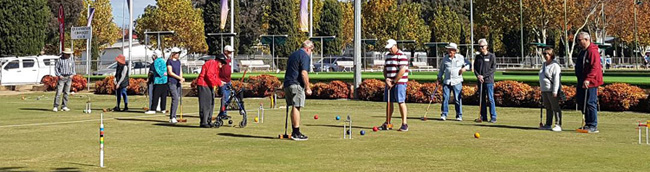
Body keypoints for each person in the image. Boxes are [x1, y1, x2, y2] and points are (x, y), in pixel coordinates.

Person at [283, 40, 314, 141]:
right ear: (307, 48)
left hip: (287, 84)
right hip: (296, 84)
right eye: (311, 50)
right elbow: (304, 73)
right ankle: (296, 133)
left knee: (293, 106)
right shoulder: (304, 56)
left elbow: (289, 71)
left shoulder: (292, 55)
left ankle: (294, 131)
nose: (311, 53)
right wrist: (308, 87)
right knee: (297, 107)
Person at [575, 32, 603, 133]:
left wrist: (588, 79)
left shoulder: (592, 51)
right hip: (582, 81)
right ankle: (587, 123)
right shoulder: (583, 51)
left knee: (590, 102)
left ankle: (592, 124)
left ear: (586, 40)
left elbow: (595, 67)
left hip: (591, 82)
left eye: (579, 40)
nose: (578, 42)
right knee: (581, 101)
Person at [378, 39, 409, 131]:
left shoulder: (401, 56)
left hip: (400, 82)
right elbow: (385, 69)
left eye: (391, 48)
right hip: (389, 83)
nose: (389, 50)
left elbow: (402, 71)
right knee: (389, 102)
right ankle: (388, 122)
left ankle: (404, 124)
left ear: (395, 46)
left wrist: (394, 81)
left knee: (401, 102)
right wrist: (387, 79)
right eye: (388, 48)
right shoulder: (387, 56)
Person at [437, 43, 469, 121]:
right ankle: (444, 114)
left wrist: (463, 69)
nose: (449, 51)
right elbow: (441, 70)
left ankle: (459, 115)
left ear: (454, 51)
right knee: (445, 98)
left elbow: (468, 64)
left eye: (450, 49)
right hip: (447, 81)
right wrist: (439, 78)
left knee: (457, 99)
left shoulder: (460, 57)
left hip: (457, 81)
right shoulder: (445, 59)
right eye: (448, 49)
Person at [473, 39, 497, 123]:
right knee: (481, 99)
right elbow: (475, 68)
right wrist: (478, 76)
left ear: (486, 46)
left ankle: (493, 117)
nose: (481, 48)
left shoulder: (491, 56)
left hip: (489, 81)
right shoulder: (478, 57)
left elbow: (493, 68)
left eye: (482, 46)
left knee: (490, 99)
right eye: (479, 46)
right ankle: (483, 116)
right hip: (480, 81)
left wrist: (484, 76)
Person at [539, 47, 562, 132]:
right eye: (544, 53)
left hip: (551, 89)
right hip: (544, 89)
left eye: (547, 54)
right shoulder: (544, 64)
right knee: (548, 107)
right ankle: (548, 124)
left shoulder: (555, 65)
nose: (545, 55)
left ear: (552, 55)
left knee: (555, 107)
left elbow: (556, 79)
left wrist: (555, 91)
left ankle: (558, 124)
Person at [196, 55, 222, 128]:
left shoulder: (215, 66)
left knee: (211, 103)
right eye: (222, 63)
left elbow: (214, 76)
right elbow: (209, 75)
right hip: (203, 84)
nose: (222, 65)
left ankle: (208, 120)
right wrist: (218, 83)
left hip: (209, 85)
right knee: (205, 103)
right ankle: (204, 121)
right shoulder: (212, 63)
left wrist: (219, 82)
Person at [145, 50, 169, 115]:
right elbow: (165, 70)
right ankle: (163, 109)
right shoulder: (163, 60)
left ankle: (153, 109)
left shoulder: (156, 61)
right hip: (165, 80)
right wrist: (165, 74)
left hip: (158, 81)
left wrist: (161, 74)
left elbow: (157, 70)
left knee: (156, 95)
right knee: (163, 96)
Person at [167, 47, 185, 124]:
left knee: (176, 98)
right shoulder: (169, 61)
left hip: (178, 82)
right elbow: (170, 72)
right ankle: (172, 117)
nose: (178, 54)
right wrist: (179, 77)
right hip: (172, 81)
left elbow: (180, 70)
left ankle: (173, 116)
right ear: (173, 54)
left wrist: (181, 79)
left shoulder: (178, 61)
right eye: (177, 53)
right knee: (175, 98)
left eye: (179, 53)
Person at [218, 45, 234, 119]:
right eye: (229, 52)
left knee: (228, 98)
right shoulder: (221, 59)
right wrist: (219, 81)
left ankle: (224, 112)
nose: (231, 53)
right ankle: (223, 113)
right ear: (225, 51)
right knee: (224, 97)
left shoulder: (229, 59)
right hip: (222, 82)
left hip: (228, 81)